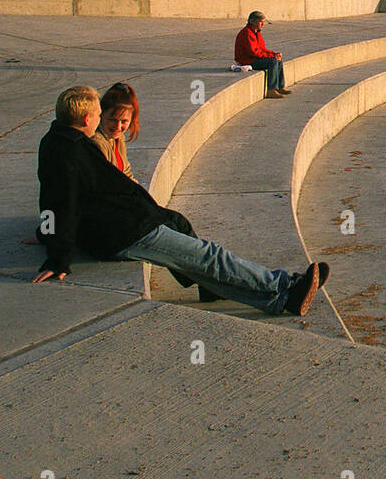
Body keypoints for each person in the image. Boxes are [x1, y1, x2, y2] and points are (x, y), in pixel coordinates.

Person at [32, 85, 327, 316]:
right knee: (208, 256)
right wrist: (58, 258)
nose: (99, 120)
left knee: (199, 259)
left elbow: (51, 195)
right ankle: (283, 284)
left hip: (124, 222)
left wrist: (44, 233)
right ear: (86, 119)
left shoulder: (56, 141)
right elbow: (63, 202)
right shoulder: (72, 153)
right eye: (98, 114)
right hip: (123, 232)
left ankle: (280, 301)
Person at [235, 10, 290, 98]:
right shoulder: (247, 33)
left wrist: (274, 54)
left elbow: (262, 49)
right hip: (247, 60)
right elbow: (253, 52)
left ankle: (280, 87)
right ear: (252, 21)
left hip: (254, 58)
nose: (263, 25)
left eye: (264, 22)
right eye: (261, 22)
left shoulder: (256, 32)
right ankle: (271, 90)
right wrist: (272, 56)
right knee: (272, 62)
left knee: (278, 60)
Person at [90, 82, 139, 179]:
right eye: (112, 120)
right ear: (101, 115)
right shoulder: (97, 143)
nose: (118, 126)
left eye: (124, 121)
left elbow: (126, 173)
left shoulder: (118, 137)